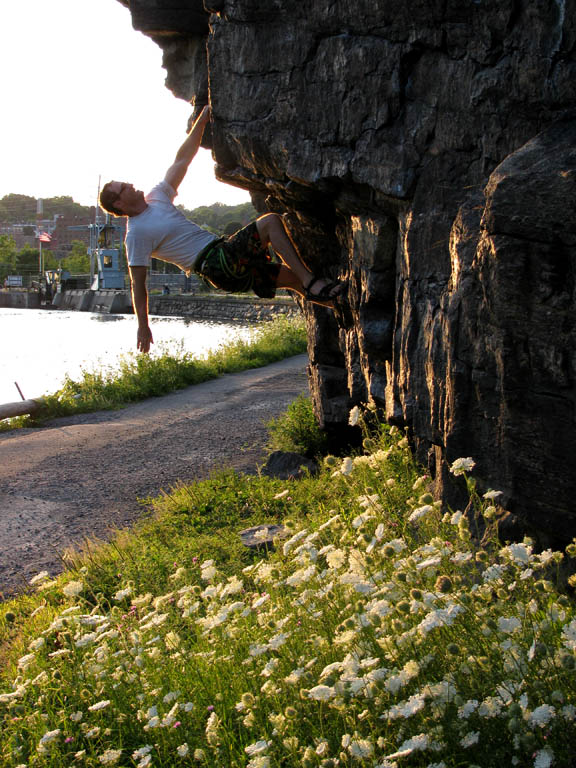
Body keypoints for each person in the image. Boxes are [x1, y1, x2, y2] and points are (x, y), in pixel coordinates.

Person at [99, 106, 346, 353]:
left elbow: (182, 159)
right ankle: (311, 280)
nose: (131, 184)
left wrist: (202, 121)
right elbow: (138, 284)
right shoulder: (136, 234)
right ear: (119, 203)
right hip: (216, 263)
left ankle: (343, 308)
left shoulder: (157, 196)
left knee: (290, 279)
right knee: (270, 222)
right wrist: (143, 326)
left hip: (224, 259)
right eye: (124, 187)